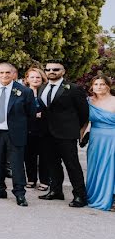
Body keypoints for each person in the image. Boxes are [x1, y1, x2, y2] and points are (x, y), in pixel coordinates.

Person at [37, 60, 90, 207]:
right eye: (48, 69)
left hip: (66, 133)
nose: (51, 71)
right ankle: (56, 191)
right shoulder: (42, 88)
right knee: (52, 164)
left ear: (63, 71)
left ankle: (80, 195)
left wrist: (74, 129)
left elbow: (83, 113)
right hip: (47, 133)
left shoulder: (74, 88)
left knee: (72, 165)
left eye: (55, 69)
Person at [0, 62, 33, 206]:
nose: (4, 75)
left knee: (17, 164)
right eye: (1, 73)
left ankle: (20, 193)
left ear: (13, 74)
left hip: (15, 133)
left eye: (7, 73)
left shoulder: (24, 91)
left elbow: (30, 114)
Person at [84, 75, 115, 211]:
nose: (98, 87)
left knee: (111, 167)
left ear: (108, 86)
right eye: (96, 84)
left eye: (102, 84)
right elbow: (84, 122)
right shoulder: (88, 101)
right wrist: (80, 137)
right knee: (96, 165)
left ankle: (112, 197)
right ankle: (94, 194)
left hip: (112, 137)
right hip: (96, 138)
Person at [23, 67, 50, 190]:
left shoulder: (46, 92)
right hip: (27, 128)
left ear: (42, 79)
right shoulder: (22, 92)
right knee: (29, 156)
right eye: (32, 77)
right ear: (27, 79)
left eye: (38, 77)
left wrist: (42, 114)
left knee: (45, 156)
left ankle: (45, 180)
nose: (35, 79)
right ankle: (31, 179)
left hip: (45, 129)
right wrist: (33, 114)